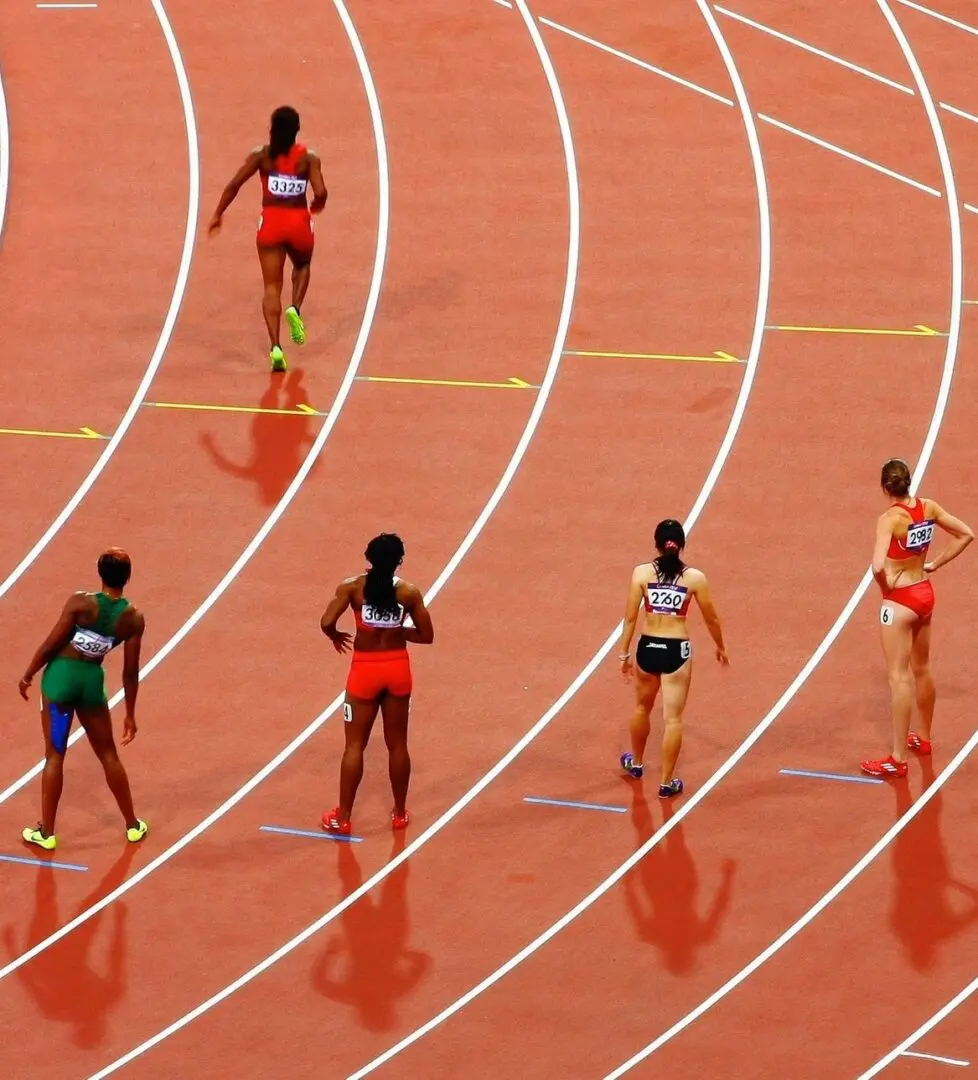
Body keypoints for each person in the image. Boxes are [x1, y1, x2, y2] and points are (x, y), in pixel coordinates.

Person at [18, 549, 149, 850]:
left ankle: (46, 834)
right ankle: (132, 825)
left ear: (99, 574)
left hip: (60, 682)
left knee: (54, 756)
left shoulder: (80, 602)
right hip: (91, 685)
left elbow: (51, 644)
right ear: (127, 578)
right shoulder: (133, 619)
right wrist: (130, 713)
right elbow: (130, 672)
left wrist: (28, 673)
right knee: (108, 755)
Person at [862, 458, 973, 778]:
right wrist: (935, 564)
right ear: (908, 483)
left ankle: (897, 759)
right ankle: (923, 738)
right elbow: (966, 534)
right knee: (922, 668)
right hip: (924, 593)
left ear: (885, 488)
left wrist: (886, 590)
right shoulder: (928, 507)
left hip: (899, 601)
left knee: (898, 677)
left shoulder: (889, 519)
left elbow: (878, 567)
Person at [319, 534, 434, 834]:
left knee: (354, 746)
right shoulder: (409, 593)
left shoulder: (352, 587)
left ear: (368, 558)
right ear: (400, 560)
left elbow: (326, 622)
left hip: (364, 672)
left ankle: (342, 818)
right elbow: (427, 635)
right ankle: (398, 813)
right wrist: (398, 632)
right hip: (397, 669)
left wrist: (335, 636)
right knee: (397, 745)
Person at [208, 105, 328, 372]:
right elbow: (321, 191)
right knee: (302, 265)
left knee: (271, 288)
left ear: (272, 130)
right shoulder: (309, 159)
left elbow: (234, 185)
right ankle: (295, 307)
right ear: (297, 130)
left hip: (271, 224)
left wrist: (218, 213)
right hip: (298, 221)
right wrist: (317, 203)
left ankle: (275, 347)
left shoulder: (262, 156)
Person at [617, 519, 729, 798]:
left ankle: (637, 764)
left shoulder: (641, 573)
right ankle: (666, 784)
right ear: (681, 545)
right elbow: (711, 617)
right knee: (674, 719)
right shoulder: (694, 578)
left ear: (656, 544)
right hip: (676, 650)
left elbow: (630, 617)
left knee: (642, 707)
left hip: (647, 647)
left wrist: (624, 653)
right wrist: (720, 646)